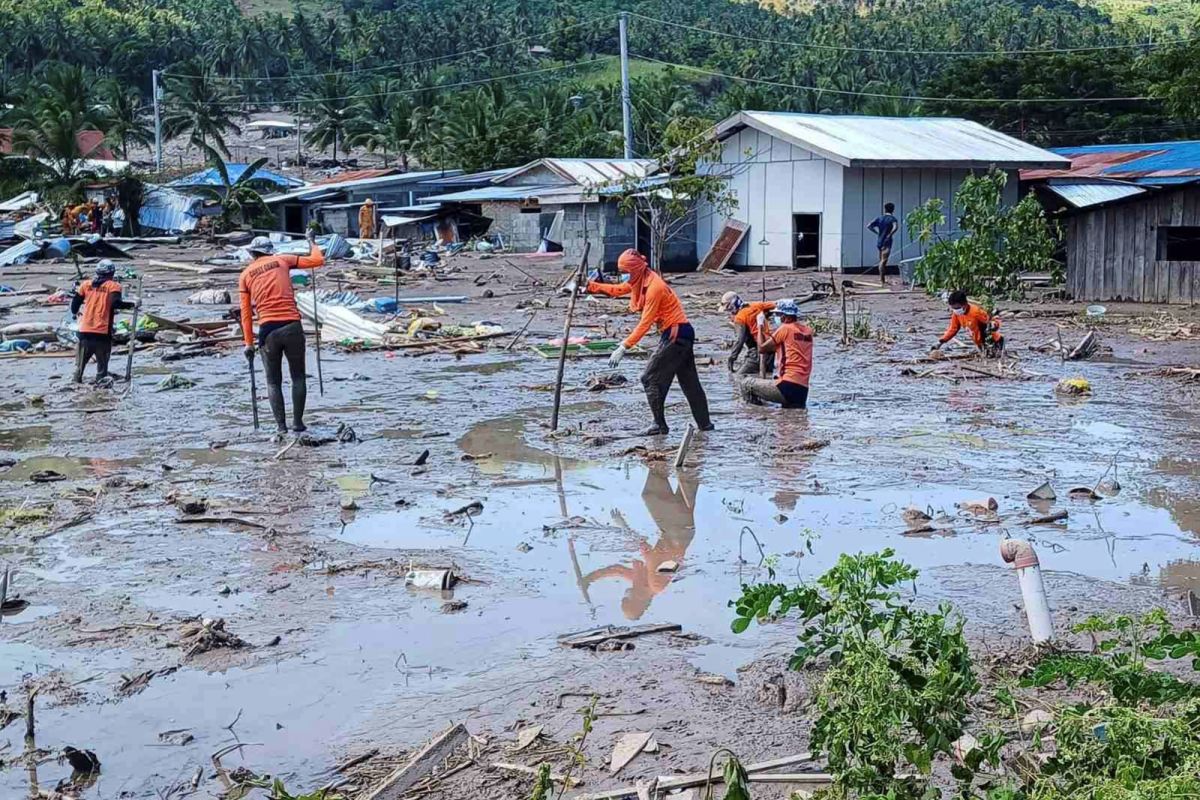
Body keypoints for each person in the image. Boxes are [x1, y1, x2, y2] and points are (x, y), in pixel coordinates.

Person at [586, 249, 713, 436]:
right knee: (689, 383)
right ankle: (706, 426)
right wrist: (590, 286)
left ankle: (659, 425)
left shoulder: (655, 287)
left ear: (636, 269)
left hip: (676, 335)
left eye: (626, 271)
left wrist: (624, 346)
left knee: (649, 378)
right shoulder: (640, 279)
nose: (624, 275)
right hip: (680, 333)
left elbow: (645, 322)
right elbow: (619, 289)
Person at [238, 232, 325, 438]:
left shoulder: (245, 276)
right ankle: (298, 424)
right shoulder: (283, 260)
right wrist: (311, 241)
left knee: (273, 382)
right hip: (292, 326)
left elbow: (246, 314)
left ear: (253, 254)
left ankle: (281, 427)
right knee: (298, 377)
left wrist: (248, 344)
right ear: (270, 251)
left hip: (268, 331)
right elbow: (317, 260)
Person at [738, 298, 814, 409]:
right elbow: (785, 347)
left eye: (777, 314)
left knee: (746, 384)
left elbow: (761, 348)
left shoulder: (785, 329)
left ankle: (756, 415)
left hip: (787, 385)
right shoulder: (808, 332)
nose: (776, 318)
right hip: (803, 390)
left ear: (784, 316)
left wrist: (760, 326)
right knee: (789, 418)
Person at [70, 259, 134, 383]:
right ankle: (101, 387)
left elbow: (75, 304)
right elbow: (115, 304)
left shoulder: (86, 285)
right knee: (102, 367)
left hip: (85, 331)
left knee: (79, 366)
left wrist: (75, 313)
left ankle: (75, 385)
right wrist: (132, 305)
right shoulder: (113, 286)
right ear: (112, 273)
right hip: (102, 332)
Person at [932, 290, 1004, 357]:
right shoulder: (956, 314)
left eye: (957, 308)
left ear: (965, 304)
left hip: (994, 342)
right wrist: (941, 341)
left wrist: (994, 324)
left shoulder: (976, 312)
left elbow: (992, 321)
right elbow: (953, 329)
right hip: (980, 344)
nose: (955, 310)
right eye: (953, 308)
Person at [720, 291, 776, 375]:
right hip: (771, 349)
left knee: (737, 376)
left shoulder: (740, 318)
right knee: (768, 373)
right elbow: (776, 304)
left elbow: (740, 340)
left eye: (729, 309)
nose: (730, 313)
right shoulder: (756, 306)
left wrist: (732, 357)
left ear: (733, 305)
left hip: (757, 352)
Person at [867, 202, 899, 285]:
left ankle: (882, 279)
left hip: (880, 241)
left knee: (881, 260)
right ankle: (882, 280)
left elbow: (869, 226)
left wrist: (877, 233)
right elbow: (895, 227)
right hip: (887, 241)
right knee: (883, 261)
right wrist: (890, 234)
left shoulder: (880, 218)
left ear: (885, 209)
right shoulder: (892, 219)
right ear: (893, 210)